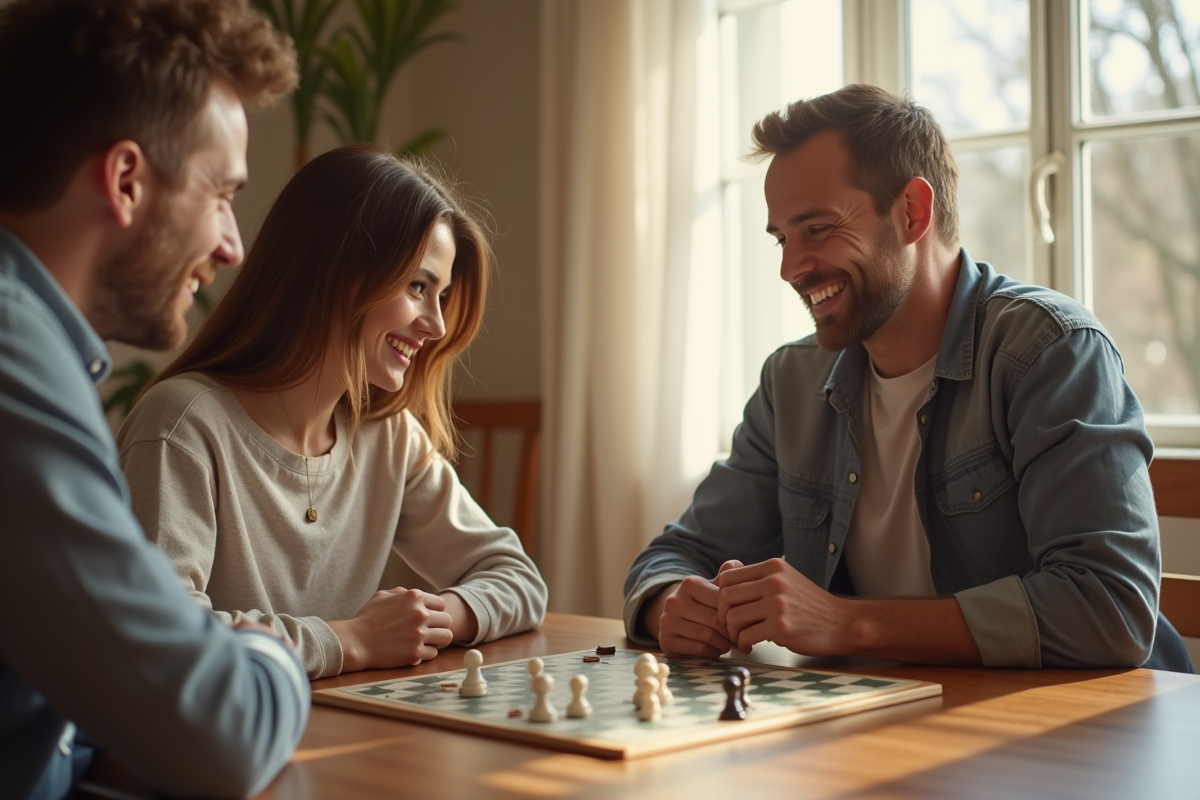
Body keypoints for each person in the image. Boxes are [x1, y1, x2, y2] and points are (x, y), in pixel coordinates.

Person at [624, 84, 1194, 673]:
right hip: (901, 723)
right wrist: (671, 605)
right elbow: (676, 554)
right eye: (782, 238)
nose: (790, 267)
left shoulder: (1050, 351)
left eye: (816, 229)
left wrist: (847, 623)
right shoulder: (790, 382)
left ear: (913, 212)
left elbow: (1110, 608)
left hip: (1097, 733)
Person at [0, 1, 309, 799]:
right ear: (127, 180)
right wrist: (266, 650)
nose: (234, 246)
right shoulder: (12, 359)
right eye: (222, 195)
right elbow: (225, 738)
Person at [116, 144, 548, 680]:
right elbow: (163, 639)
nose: (436, 325)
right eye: (418, 287)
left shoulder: (388, 437)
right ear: (336, 272)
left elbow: (518, 579)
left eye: (441, 296)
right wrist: (353, 640)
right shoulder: (181, 426)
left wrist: (433, 618)